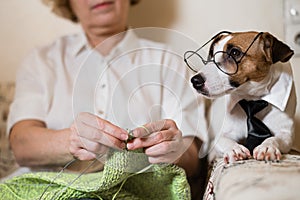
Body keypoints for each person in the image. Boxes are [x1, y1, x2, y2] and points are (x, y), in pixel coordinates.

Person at [7, 0, 208, 198]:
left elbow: (193, 157)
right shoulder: (42, 61)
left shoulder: (169, 61)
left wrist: (172, 150)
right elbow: (21, 145)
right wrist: (71, 141)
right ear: (67, 3)